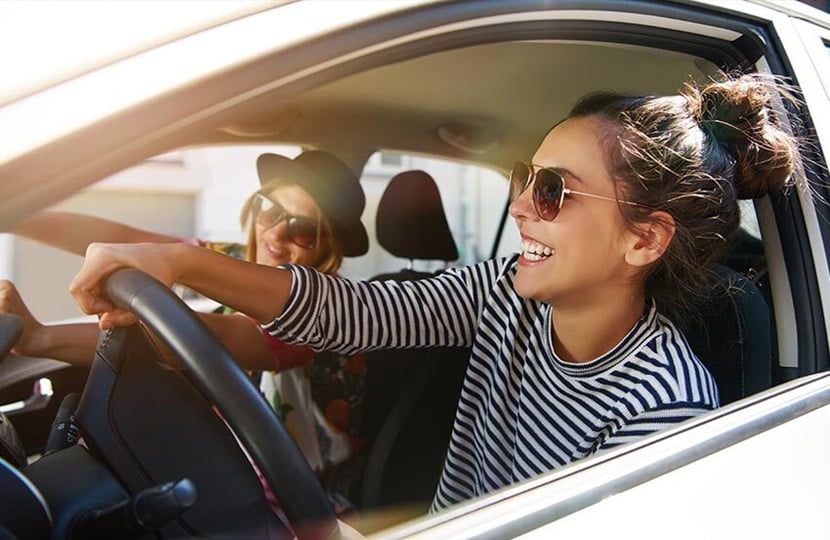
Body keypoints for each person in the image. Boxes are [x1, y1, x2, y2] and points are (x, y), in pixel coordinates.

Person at [67, 73, 803, 512]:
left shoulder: (666, 403)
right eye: (524, 176)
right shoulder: (504, 295)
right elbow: (351, 314)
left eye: (553, 191)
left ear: (643, 240)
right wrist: (175, 262)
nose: (520, 206)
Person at [2, 150, 371, 513]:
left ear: (328, 247)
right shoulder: (236, 259)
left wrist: (41, 337)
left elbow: (218, 339)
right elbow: (126, 241)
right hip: (230, 467)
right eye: (270, 209)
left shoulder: (326, 308)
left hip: (301, 504)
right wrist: (18, 215)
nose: (275, 234)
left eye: (302, 229)